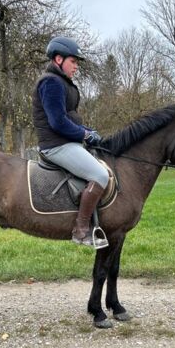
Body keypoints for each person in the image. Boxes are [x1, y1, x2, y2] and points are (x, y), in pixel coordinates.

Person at [32, 36, 109, 249]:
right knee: (100, 175)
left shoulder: (62, 82)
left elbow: (68, 117)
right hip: (56, 145)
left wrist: (86, 131)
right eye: (73, 61)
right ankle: (81, 230)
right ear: (58, 59)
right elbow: (57, 122)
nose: (76, 66)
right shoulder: (51, 82)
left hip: (67, 142)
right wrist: (84, 135)